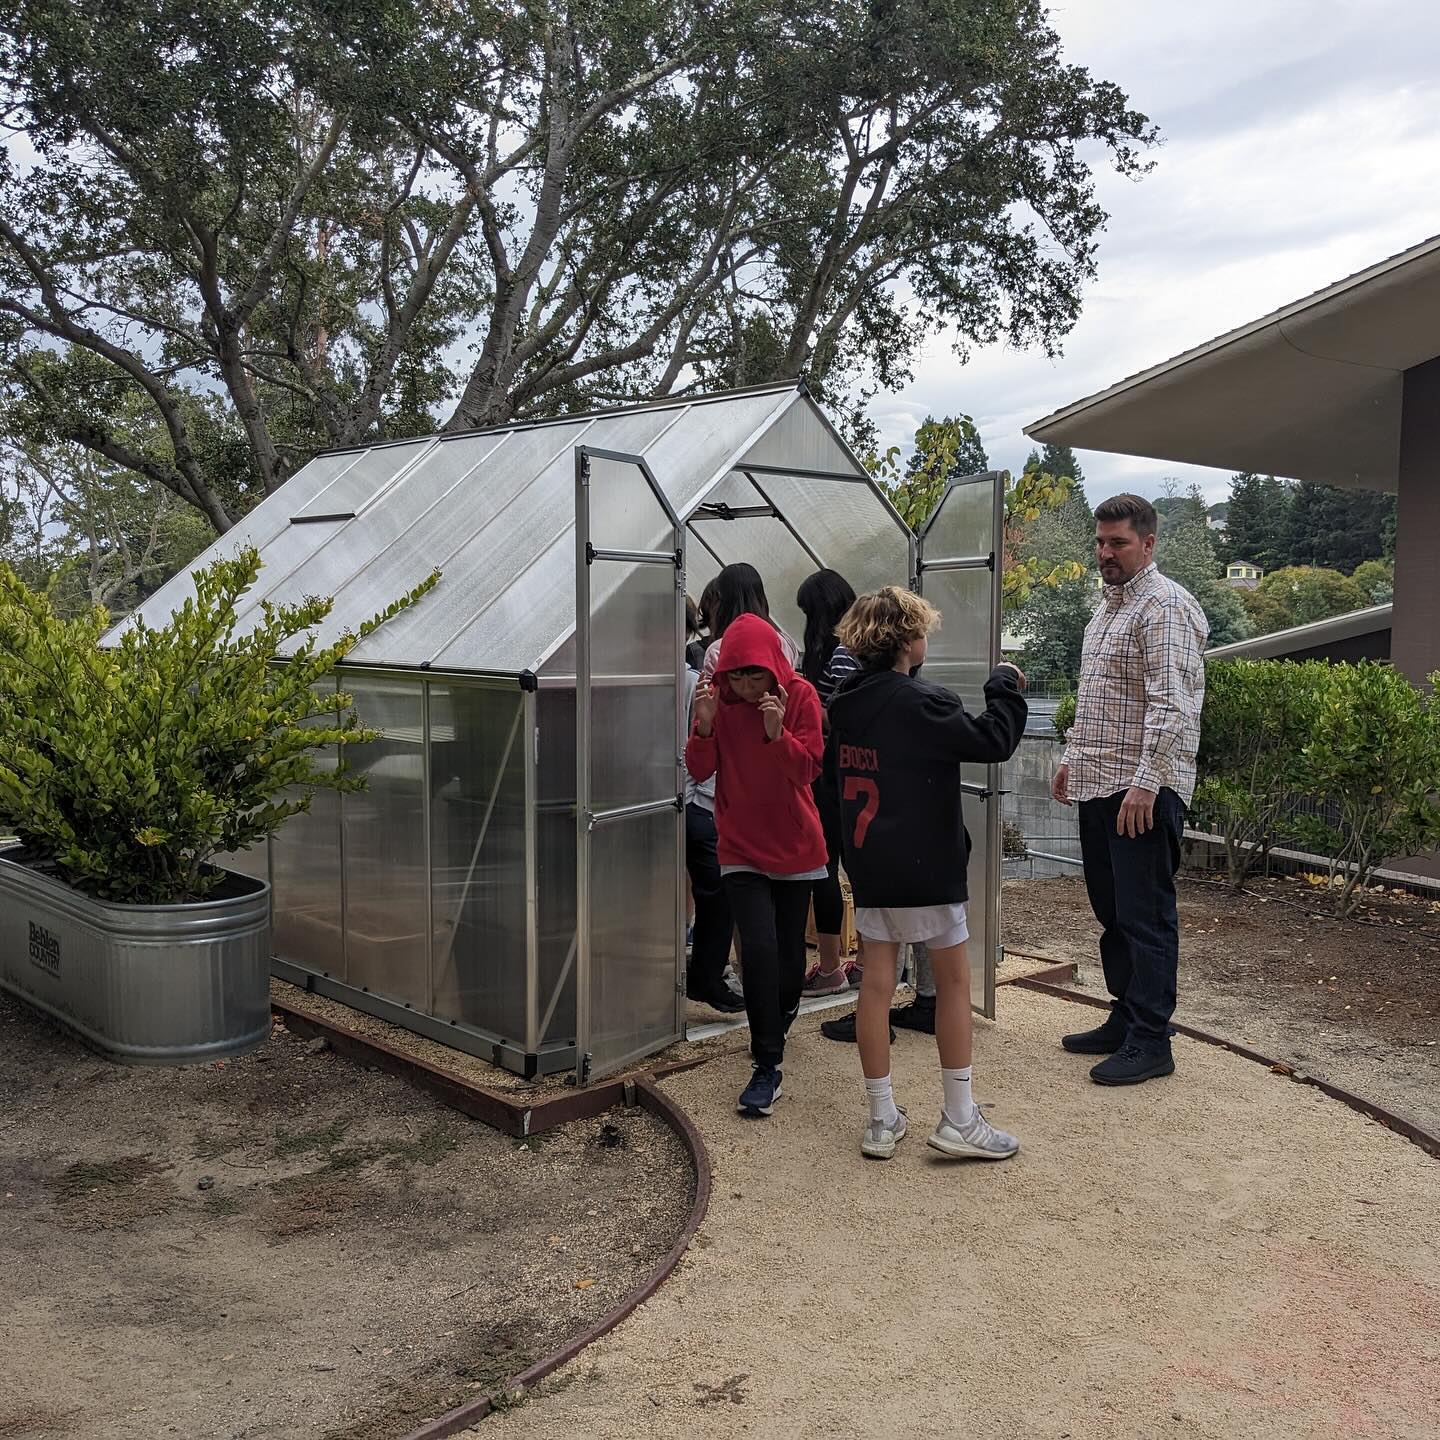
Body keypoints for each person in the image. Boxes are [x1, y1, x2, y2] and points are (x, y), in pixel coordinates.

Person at [828, 587, 1027, 1161]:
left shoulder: (844, 705)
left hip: (870, 868)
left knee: (875, 985)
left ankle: (881, 1117)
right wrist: (1004, 685)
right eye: (922, 633)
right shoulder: (924, 703)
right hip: (927, 868)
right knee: (954, 984)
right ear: (907, 641)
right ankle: (960, 1118)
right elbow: (993, 739)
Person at [1052, 494, 1207, 1086]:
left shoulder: (1163, 607)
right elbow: (1099, 699)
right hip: (1099, 782)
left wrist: (1146, 785)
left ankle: (1152, 1038)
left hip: (1141, 790)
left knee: (1145, 916)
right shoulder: (1106, 611)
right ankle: (1125, 1015)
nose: (1105, 553)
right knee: (1111, 911)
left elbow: (1173, 706)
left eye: (1118, 542)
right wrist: (1071, 758)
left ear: (1148, 543)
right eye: (1100, 542)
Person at [686, 614, 826, 1117]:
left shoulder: (802, 697)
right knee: (760, 949)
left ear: (772, 668)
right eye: (736, 677)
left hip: (794, 844)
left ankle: (777, 1017)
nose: (744, 686)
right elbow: (701, 769)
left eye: (754, 676)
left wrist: (775, 733)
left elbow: (808, 769)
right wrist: (702, 723)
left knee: (789, 959)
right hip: (739, 845)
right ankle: (767, 1065)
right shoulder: (716, 702)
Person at [795, 568, 857, 998]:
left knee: (825, 867)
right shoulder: (857, 648)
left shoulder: (839, 655)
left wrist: (808, 705)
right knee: (848, 869)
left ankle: (833, 966)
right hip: (848, 775)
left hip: (831, 775)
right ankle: (858, 964)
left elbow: (842, 717)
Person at [683, 654, 744, 1013]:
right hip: (698, 801)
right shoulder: (696, 683)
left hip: (700, 800)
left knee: (715, 894)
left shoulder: (692, 679)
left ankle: (705, 975)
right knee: (719, 894)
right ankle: (706, 976)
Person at [698, 563, 801, 683]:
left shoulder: (718, 650)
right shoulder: (785, 643)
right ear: (761, 597)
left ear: (721, 602)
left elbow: (713, 698)